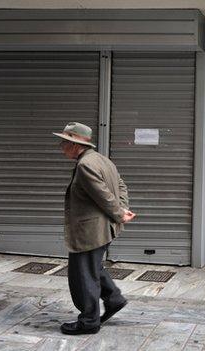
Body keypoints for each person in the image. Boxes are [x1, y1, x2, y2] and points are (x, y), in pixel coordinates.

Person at [53, 122, 136, 335]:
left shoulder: (85, 165)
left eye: (64, 142)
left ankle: (89, 321)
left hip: (91, 231)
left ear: (74, 144)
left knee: (83, 275)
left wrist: (119, 213)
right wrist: (123, 209)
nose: (61, 146)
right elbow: (121, 186)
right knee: (93, 268)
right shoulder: (102, 160)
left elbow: (103, 196)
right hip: (103, 228)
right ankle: (113, 299)